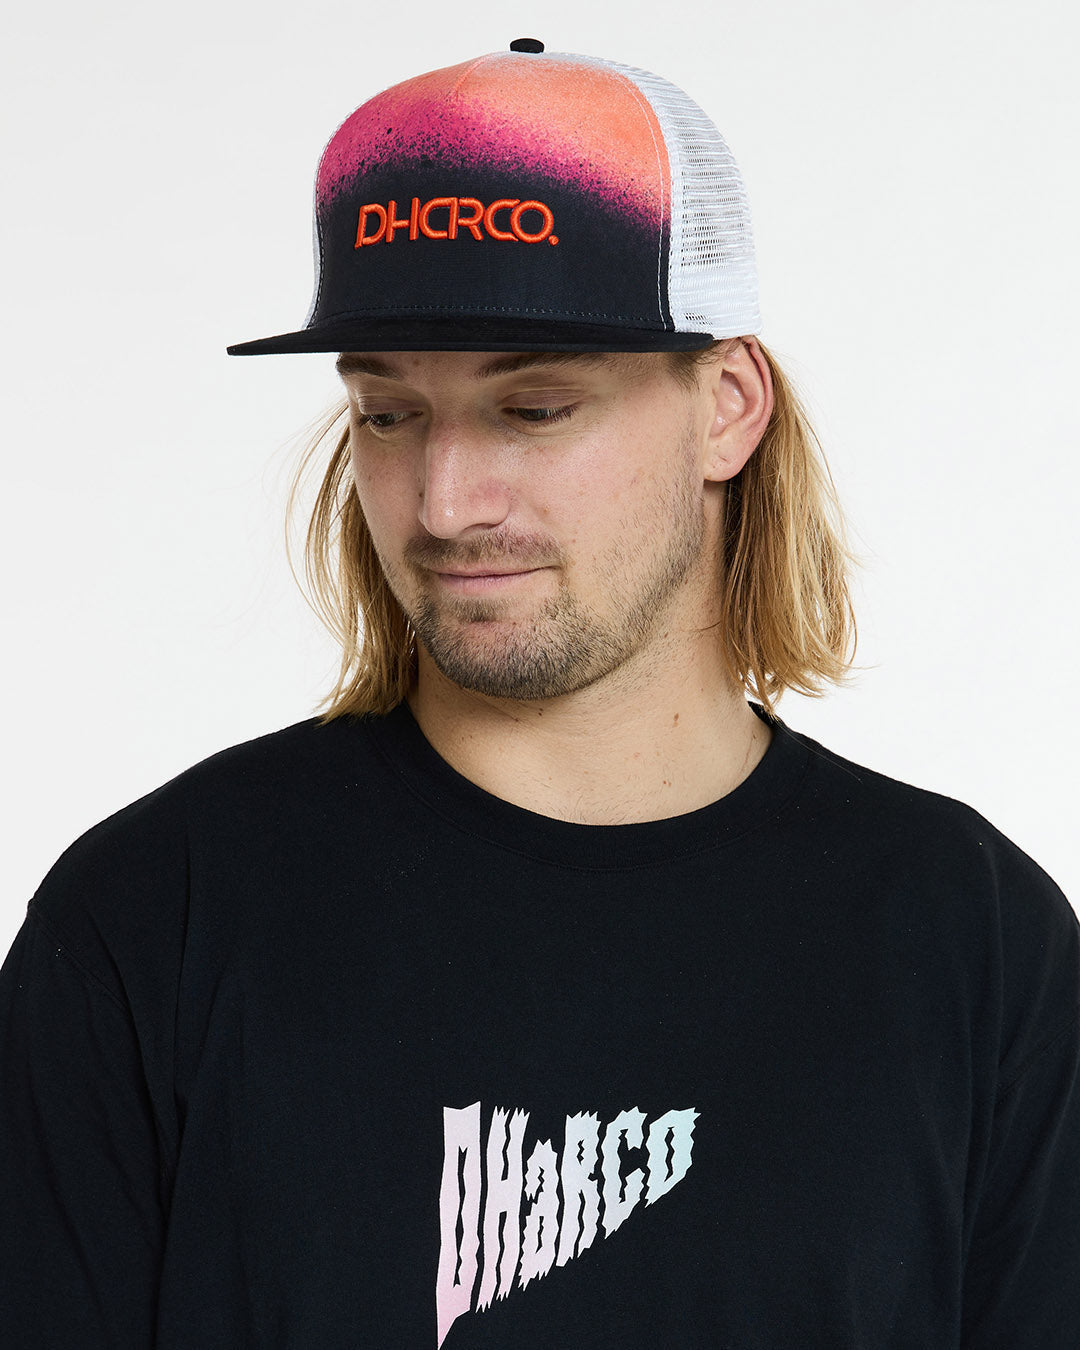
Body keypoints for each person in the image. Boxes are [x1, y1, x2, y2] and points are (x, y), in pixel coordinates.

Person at [1, 38, 1077, 1350]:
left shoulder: (975, 945)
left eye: (536, 408)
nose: (445, 503)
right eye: (389, 414)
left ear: (728, 406)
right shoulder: (147, 923)